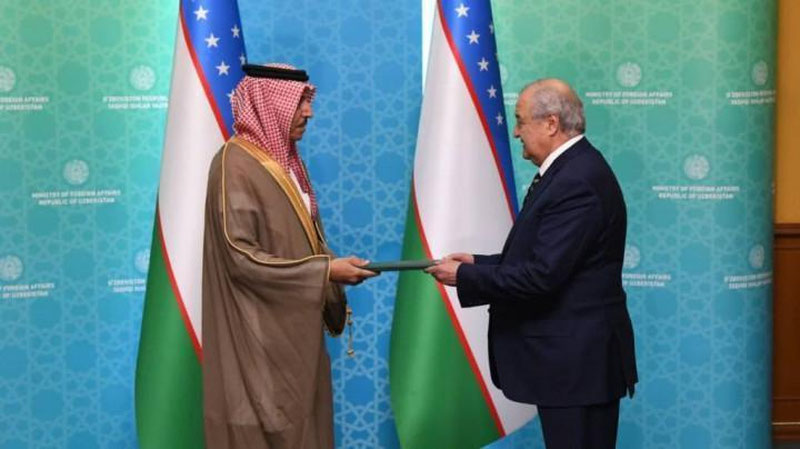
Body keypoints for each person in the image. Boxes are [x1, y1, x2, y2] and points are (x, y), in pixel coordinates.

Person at [427, 78, 637, 449]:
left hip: (577, 367)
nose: (516, 132)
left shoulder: (576, 180)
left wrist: (467, 276)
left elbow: (542, 276)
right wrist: (478, 263)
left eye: (521, 120)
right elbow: (550, 259)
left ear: (551, 123)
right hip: (573, 366)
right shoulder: (571, 170)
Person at [201, 63, 376, 449]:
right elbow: (240, 256)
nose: (309, 112)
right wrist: (326, 271)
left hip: (296, 335)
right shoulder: (235, 164)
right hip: (257, 336)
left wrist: (334, 265)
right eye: (299, 102)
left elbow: (306, 242)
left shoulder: (289, 164)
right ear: (268, 104)